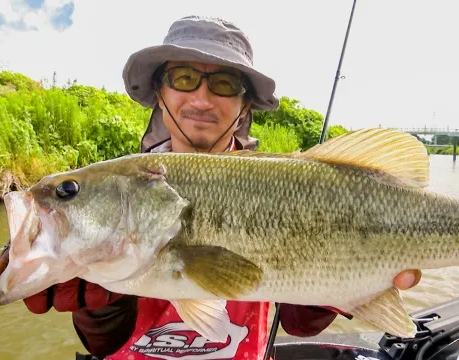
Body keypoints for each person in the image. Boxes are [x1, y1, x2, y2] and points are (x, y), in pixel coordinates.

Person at [23, 15, 422, 360]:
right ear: (160, 95)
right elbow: (104, 343)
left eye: (225, 83)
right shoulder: (122, 187)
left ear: (245, 105)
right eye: (183, 78)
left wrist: (352, 284)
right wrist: (98, 308)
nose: (201, 97)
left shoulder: (295, 183)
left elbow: (301, 325)